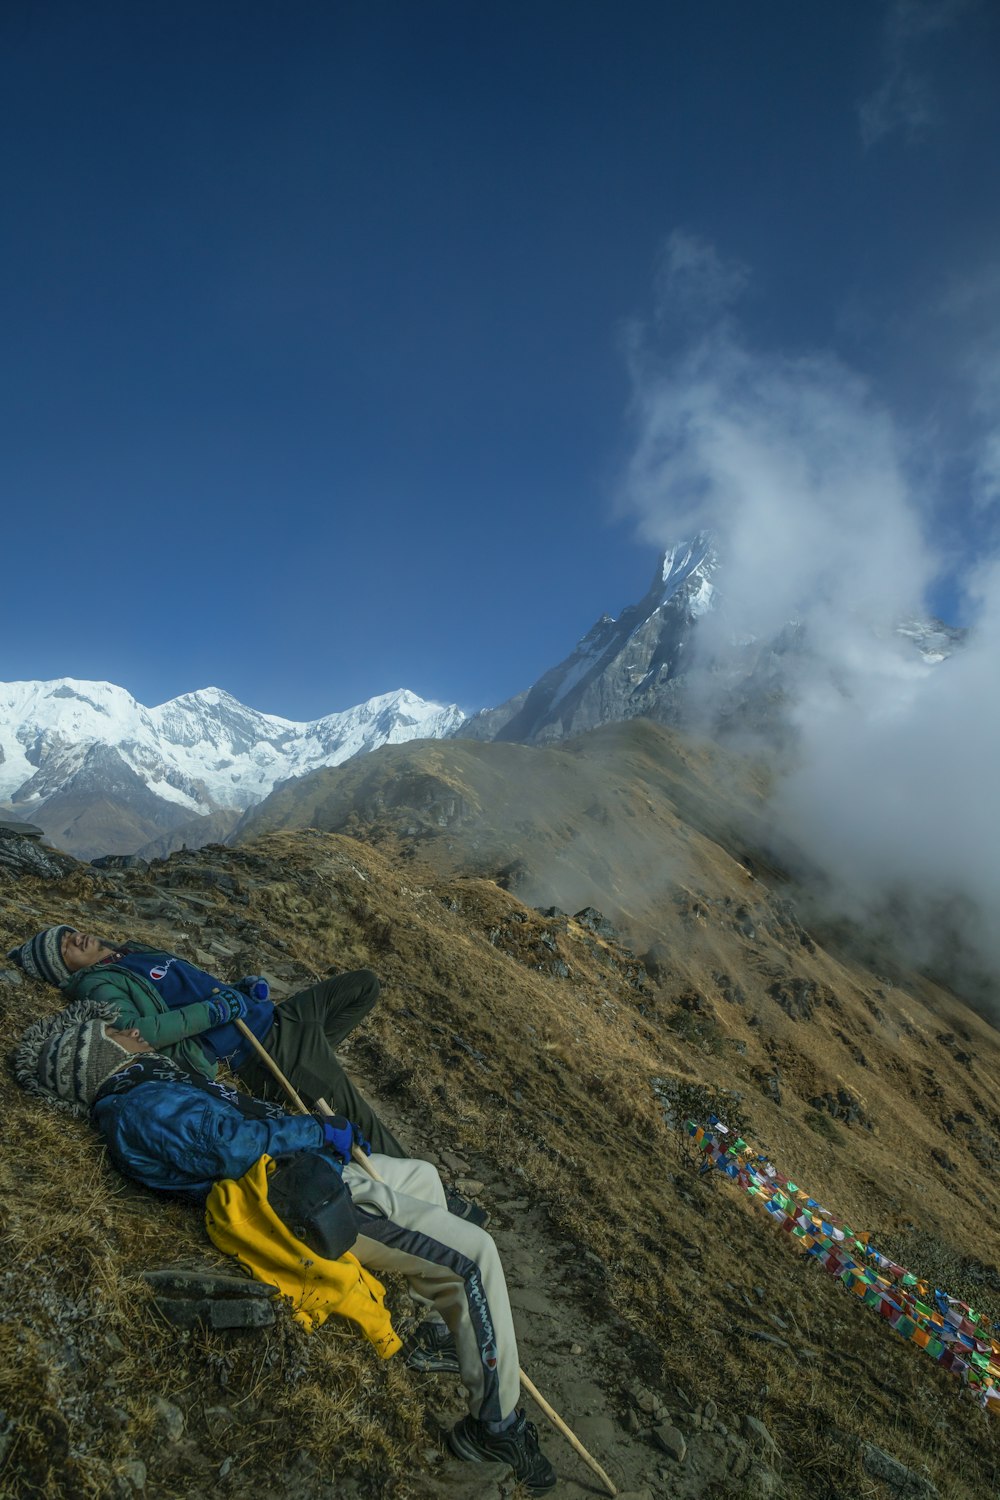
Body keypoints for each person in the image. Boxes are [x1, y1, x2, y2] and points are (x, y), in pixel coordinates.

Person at [13, 1002, 556, 1494]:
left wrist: (322, 1136)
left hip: (310, 1170)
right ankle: (494, 1427)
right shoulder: (142, 1105)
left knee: (423, 1178)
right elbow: (235, 1147)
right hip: (300, 1198)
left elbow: (232, 1122)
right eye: (116, 1031)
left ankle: (435, 1331)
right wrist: (318, 1132)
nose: (131, 1030)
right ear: (102, 1054)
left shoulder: (152, 1087)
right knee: (476, 1257)